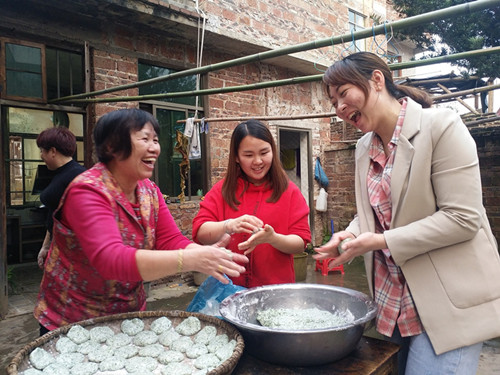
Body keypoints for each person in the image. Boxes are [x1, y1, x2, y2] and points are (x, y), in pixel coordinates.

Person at [315, 51, 500, 375]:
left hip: (448, 300)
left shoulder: (441, 127)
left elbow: (462, 219)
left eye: (343, 94)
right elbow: (373, 213)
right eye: (333, 102)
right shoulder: (363, 148)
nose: (340, 108)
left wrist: (379, 240)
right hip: (392, 300)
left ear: (376, 79)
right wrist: (354, 233)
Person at [34, 108, 247, 335]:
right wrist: (191, 258)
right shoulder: (87, 190)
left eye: (155, 139)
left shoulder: (149, 191)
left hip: (128, 316)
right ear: (111, 147)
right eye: (145, 138)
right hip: (72, 323)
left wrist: (205, 255)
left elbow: (169, 239)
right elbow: (110, 259)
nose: (155, 148)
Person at [192, 119, 311, 288]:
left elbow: (301, 243)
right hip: (230, 291)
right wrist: (228, 225)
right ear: (236, 157)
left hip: (276, 292)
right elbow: (200, 232)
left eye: (264, 153)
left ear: (273, 151)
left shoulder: (289, 191)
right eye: (248, 155)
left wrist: (273, 238)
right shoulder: (222, 190)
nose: (258, 161)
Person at [36, 127, 86, 269]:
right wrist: (46, 245)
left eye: (42, 150)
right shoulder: (59, 174)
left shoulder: (77, 176)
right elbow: (54, 212)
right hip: (57, 247)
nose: (41, 155)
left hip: (71, 255)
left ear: (52, 151)